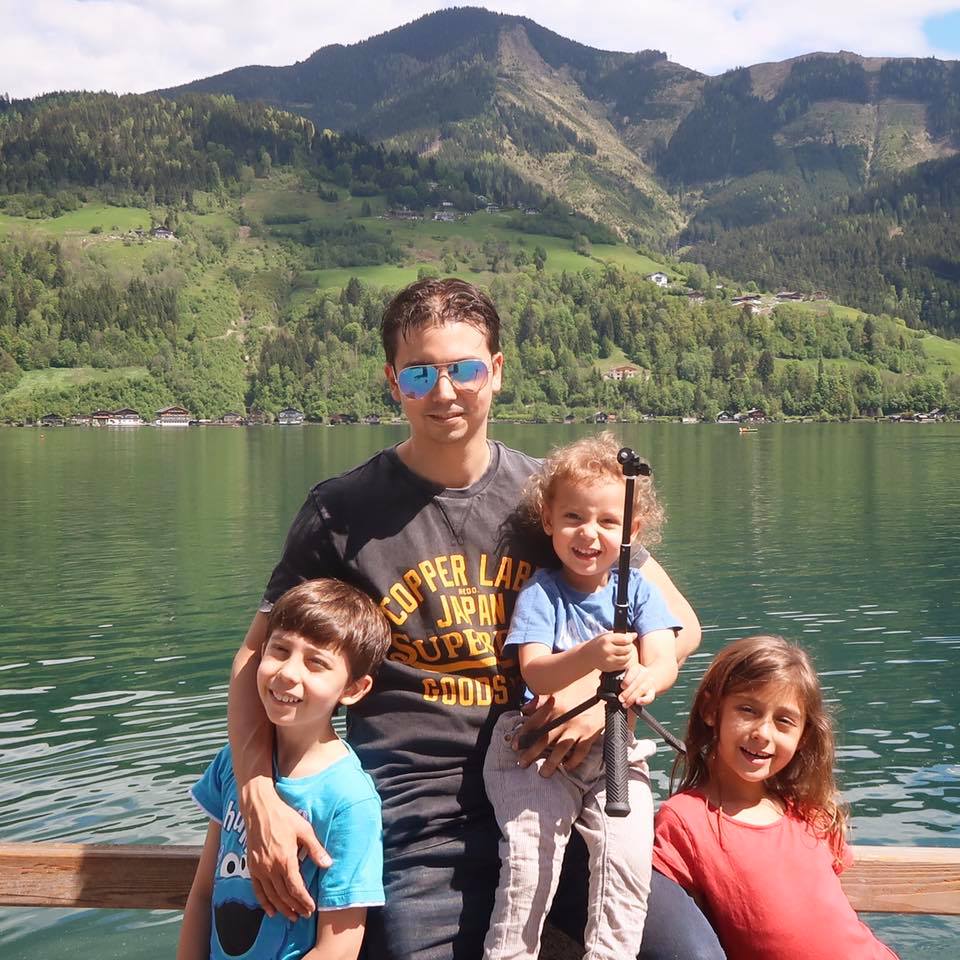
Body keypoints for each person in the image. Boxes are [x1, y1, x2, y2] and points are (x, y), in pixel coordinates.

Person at [226, 277, 718, 960]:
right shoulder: (341, 512)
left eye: (464, 369)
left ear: (497, 371)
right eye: (419, 373)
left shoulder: (552, 499)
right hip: (419, 824)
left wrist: (596, 695)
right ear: (392, 381)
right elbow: (256, 657)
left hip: (560, 792)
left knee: (689, 953)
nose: (444, 391)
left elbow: (679, 623)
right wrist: (258, 795)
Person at [483, 433, 682, 960]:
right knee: (529, 868)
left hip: (616, 751)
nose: (589, 533)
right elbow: (537, 672)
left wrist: (647, 678)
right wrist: (592, 656)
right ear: (548, 520)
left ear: (632, 532)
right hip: (535, 752)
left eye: (608, 522)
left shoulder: (639, 590)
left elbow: (664, 658)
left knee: (627, 866)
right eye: (573, 517)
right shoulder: (542, 592)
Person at [178, 579, 391, 960]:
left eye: (316, 663)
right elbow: (203, 894)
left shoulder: (350, 799)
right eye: (279, 650)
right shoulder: (233, 762)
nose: (289, 673)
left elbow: (339, 948)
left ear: (354, 689)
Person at [653, 634, 899, 960]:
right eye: (747, 710)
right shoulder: (685, 820)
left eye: (784, 721)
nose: (763, 733)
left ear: (803, 736)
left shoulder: (810, 813)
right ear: (711, 711)